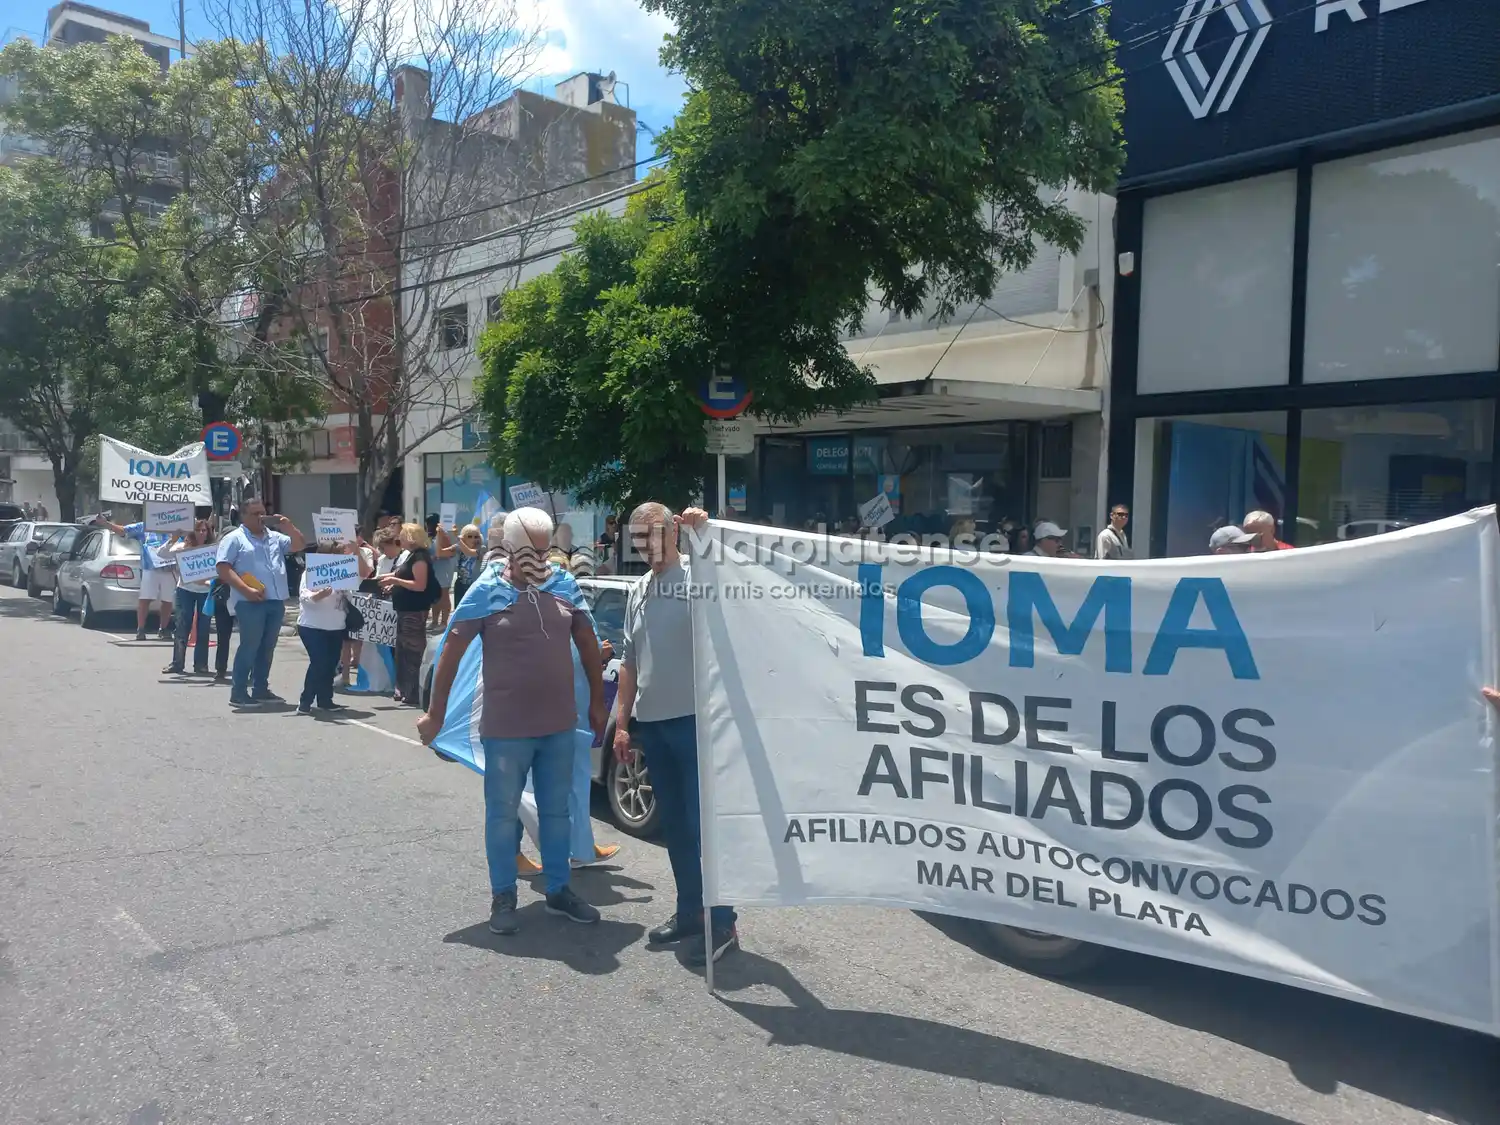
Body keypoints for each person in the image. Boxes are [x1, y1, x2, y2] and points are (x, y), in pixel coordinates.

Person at [417, 506, 608, 934]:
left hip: (559, 725)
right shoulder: (487, 589)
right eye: (530, 552)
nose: (540, 559)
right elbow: (452, 651)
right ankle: (503, 895)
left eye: (545, 550)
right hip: (506, 730)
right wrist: (435, 713)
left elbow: (587, 641)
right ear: (510, 547)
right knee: (502, 815)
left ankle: (558, 889)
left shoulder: (563, 585)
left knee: (557, 812)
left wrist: (597, 702)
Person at [612, 501, 736, 967]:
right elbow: (629, 662)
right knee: (677, 831)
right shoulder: (638, 589)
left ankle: (722, 922)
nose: (647, 546)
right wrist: (622, 724)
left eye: (654, 535)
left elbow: (733, 578)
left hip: (696, 723)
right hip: (653, 725)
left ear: (673, 533)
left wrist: (708, 530)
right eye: (639, 539)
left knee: (706, 830)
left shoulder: (699, 576)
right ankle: (690, 913)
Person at [215, 499, 305, 708]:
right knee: (250, 646)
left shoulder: (274, 537)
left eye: (262, 513)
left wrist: (289, 527)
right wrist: (246, 590)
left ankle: (260, 688)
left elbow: (299, 545)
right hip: (249, 602)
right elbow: (223, 568)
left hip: (275, 600)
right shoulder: (234, 538)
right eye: (255, 513)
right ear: (243, 516)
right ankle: (238, 692)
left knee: (267, 648)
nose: (260, 517)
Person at [298, 539, 362, 714]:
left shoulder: (344, 572)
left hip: (336, 626)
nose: (341, 556)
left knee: (331, 663)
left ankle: (325, 700)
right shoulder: (310, 572)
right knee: (319, 663)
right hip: (312, 626)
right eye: (338, 553)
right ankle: (305, 701)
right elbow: (304, 597)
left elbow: (351, 595)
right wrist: (319, 595)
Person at [379, 522, 437, 705]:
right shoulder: (410, 555)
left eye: (402, 535)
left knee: (412, 651)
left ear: (411, 538)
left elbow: (420, 585)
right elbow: (404, 577)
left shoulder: (420, 557)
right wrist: (391, 582)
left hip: (414, 610)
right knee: (402, 650)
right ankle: (404, 688)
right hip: (404, 609)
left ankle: (413, 692)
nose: (399, 539)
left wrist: (396, 581)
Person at [93, 512, 176, 640]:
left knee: (167, 600)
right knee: (145, 599)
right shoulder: (144, 526)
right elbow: (123, 530)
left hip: (169, 569)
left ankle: (163, 629)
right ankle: (141, 629)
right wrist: (106, 523)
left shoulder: (174, 526)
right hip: (149, 569)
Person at [164, 518, 217, 676]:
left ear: (208, 532)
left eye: (204, 530)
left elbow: (219, 570)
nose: (201, 533)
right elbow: (162, 554)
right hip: (185, 591)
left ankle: (201, 665)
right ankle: (177, 663)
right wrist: (173, 539)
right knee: (182, 626)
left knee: (203, 628)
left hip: (205, 592)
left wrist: (207, 582)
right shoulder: (183, 547)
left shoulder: (213, 549)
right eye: (198, 530)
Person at [426, 514, 458, 632]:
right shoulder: (430, 536)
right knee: (435, 596)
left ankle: (444, 622)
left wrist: (435, 556)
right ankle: (434, 621)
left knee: (444, 595)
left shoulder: (444, 534)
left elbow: (449, 551)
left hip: (444, 567)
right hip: (434, 568)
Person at [452, 523, 482, 608]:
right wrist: (440, 534)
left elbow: (469, 552)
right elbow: (440, 552)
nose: (473, 539)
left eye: (476, 536)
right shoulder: (459, 547)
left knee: (473, 611)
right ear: (464, 537)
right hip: (460, 584)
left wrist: (457, 538)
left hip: (474, 585)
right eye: (469, 536)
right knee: (459, 611)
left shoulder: (481, 548)